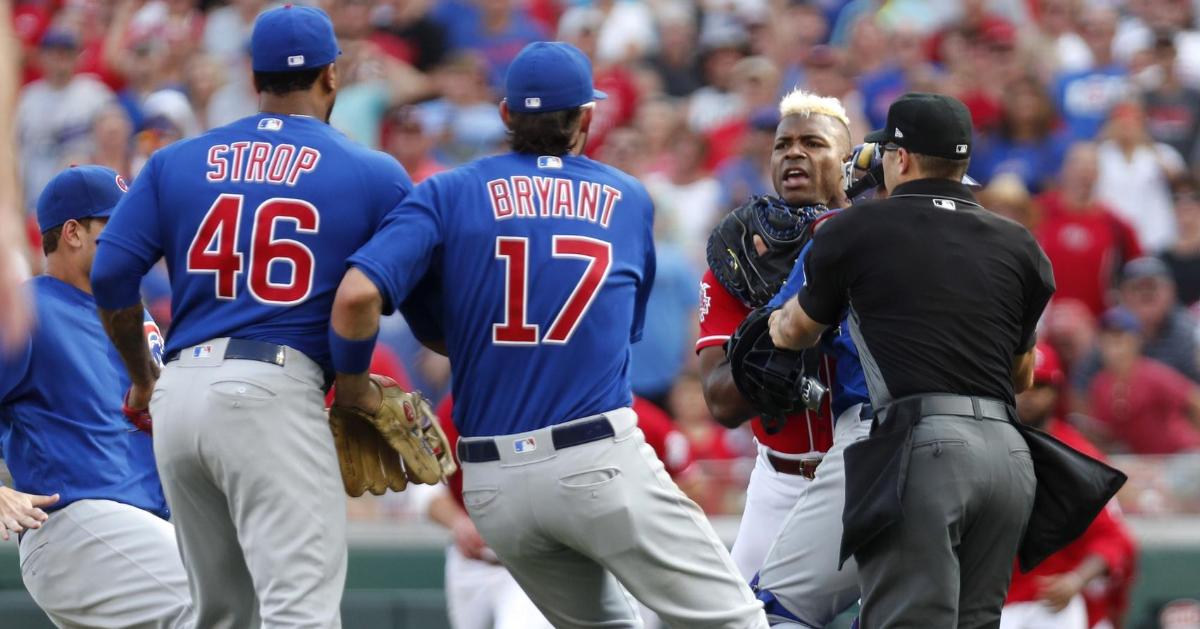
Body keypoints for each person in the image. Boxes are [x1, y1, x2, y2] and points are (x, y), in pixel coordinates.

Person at [327, 41, 768, 629]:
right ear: (586, 117)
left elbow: (358, 295)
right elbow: (614, 334)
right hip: (595, 457)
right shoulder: (629, 198)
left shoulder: (446, 192)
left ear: (506, 115)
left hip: (491, 486)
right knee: (738, 621)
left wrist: (354, 385)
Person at [89, 6, 415, 627]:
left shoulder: (175, 161)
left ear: (253, 74)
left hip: (181, 395)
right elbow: (409, 304)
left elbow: (108, 275)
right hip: (274, 390)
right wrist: (351, 387)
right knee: (300, 614)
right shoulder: (371, 172)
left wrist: (143, 374)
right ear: (331, 75)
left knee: (220, 615)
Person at [769, 93, 1056, 627]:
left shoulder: (854, 230)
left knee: (797, 608)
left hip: (921, 447)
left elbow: (795, 332)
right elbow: (1023, 374)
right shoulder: (1019, 243)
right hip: (1008, 458)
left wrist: (772, 312)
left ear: (898, 158)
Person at [1, 165, 192, 628]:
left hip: (137, 534)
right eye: (116, 226)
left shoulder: (133, 315)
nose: (134, 239)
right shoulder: (31, 310)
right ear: (72, 233)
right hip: (77, 523)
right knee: (229, 595)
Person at [695, 89, 852, 592]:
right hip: (780, 478)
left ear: (847, 161)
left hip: (864, 472)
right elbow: (721, 402)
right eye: (783, 145)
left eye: (813, 143)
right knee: (735, 617)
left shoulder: (880, 241)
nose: (794, 153)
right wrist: (774, 340)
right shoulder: (738, 255)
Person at [426, 395, 690, 629]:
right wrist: (458, 522)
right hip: (475, 562)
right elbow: (426, 492)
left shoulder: (636, 415)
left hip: (559, 558)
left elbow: (687, 486)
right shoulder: (458, 407)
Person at [1002, 344, 1137, 629]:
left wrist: (1075, 580)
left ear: (1055, 392)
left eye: (1039, 385)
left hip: (1051, 604)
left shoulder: (1078, 456)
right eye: (1021, 385)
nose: (1027, 394)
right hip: (998, 601)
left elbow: (1114, 540)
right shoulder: (986, 447)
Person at [1086, 307, 1200, 454]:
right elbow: (1105, 431)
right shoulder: (1100, 383)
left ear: (1136, 341)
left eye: (1120, 339)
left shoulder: (1153, 374)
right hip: (1139, 461)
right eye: (1107, 339)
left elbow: (1195, 400)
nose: (1114, 348)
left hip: (1178, 453)